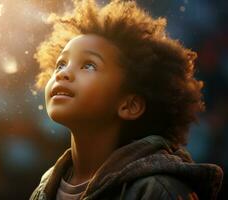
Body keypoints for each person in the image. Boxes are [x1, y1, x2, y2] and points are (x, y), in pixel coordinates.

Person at [30, 0, 223, 199]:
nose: (63, 73)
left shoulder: (158, 191)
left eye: (89, 65)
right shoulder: (45, 186)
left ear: (129, 105)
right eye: (60, 64)